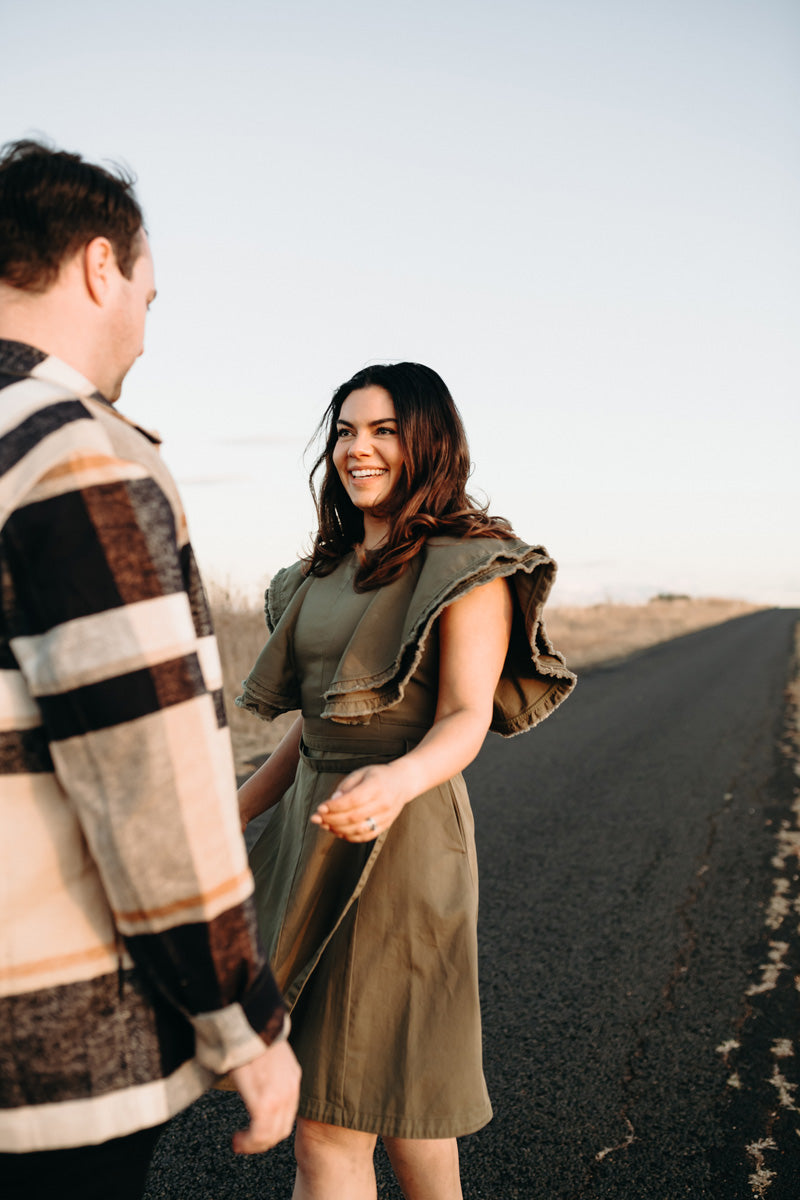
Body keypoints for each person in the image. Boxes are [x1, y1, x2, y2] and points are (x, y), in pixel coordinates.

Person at [0, 139, 300, 1200]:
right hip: (44, 1065)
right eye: (146, 295)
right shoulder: (70, 455)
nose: (143, 330)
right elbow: (148, 783)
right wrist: (243, 1025)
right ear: (95, 267)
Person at [236, 361, 576, 1199]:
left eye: (384, 431)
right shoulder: (319, 574)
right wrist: (225, 818)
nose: (359, 450)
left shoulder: (471, 564)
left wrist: (394, 782)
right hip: (305, 841)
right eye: (347, 432)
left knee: (333, 1116)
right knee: (406, 1116)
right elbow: (314, 734)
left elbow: (464, 716)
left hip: (404, 836)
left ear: (428, 443)